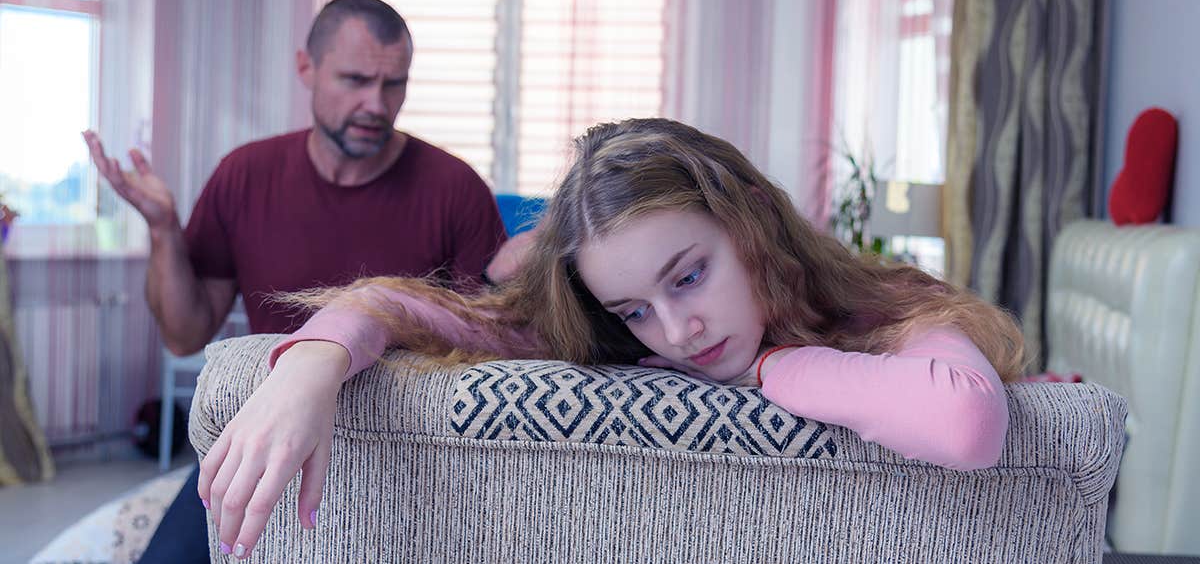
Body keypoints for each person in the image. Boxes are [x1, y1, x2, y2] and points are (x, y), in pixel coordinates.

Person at [199, 118, 1026, 559]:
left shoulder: (877, 308)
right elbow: (406, 305)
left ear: (750, 224)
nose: (676, 333)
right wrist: (310, 362)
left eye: (690, 274)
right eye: (632, 309)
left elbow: (966, 423)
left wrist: (776, 363)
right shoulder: (597, 325)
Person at [84, 0, 525, 563]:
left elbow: (488, 351)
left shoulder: (454, 188)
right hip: (260, 428)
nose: (376, 103)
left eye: (394, 84)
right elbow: (185, 334)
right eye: (356, 79)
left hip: (401, 445)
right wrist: (165, 231)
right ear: (306, 69)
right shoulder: (245, 174)